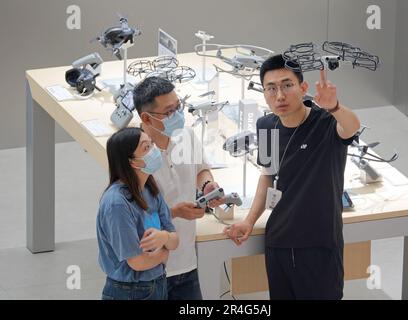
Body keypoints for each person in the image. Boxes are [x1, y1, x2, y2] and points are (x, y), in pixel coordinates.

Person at [224, 54, 361, 300]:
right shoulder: (266, 125)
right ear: (264, 92)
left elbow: (351, 128)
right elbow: (267, 176)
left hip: (318, 245)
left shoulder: (326, 123)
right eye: (271, 88)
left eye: (287, 85)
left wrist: (335, 107)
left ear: (303, 87)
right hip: (278, 242)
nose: (280, 96)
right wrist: (249, 220)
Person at [133, 76, 224, 300]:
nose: (177, 115)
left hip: (186, 263)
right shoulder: (132, 153)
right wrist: (174, 212)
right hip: (150, 269)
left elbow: (201, 169)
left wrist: (206, 185)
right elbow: (129, 214)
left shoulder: (186, 136)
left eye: (178, 107)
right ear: (146, 117)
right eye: (169, 112)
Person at [96, 127, 179, 300]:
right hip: (129, 292)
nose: (154, 151)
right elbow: (138, 262)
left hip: (157, 284)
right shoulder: (117, 204)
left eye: (151, 143)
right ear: (133, 162)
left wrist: (164, 237)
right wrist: (165, 251)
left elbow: (174, 240)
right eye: (146, 148)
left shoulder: (150, 189)